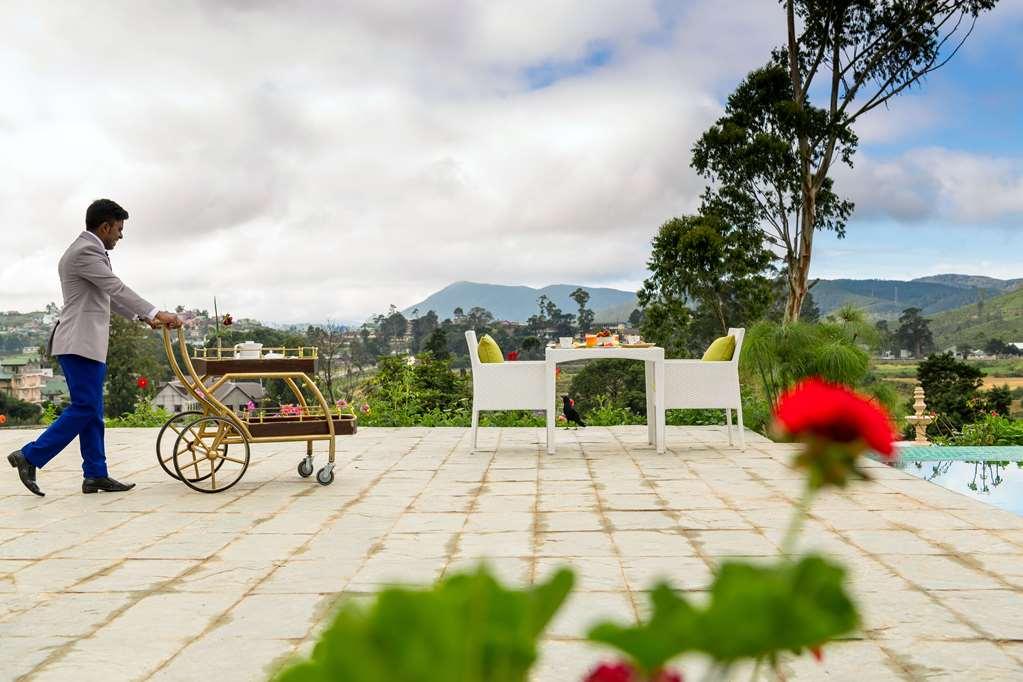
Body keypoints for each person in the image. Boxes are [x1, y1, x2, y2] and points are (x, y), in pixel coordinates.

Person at [7, 199, 182, 496]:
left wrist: (142, 318)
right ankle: (30, 455)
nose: (120, 236)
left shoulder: (86, 250)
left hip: (84, 342)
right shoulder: (86, 251)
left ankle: (95, 474)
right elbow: (116, 287)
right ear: (104, 226)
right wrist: (156, 312)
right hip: (79, 342)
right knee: (85, 407)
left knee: (93, 410)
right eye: (118, 229)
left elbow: (106, 296)